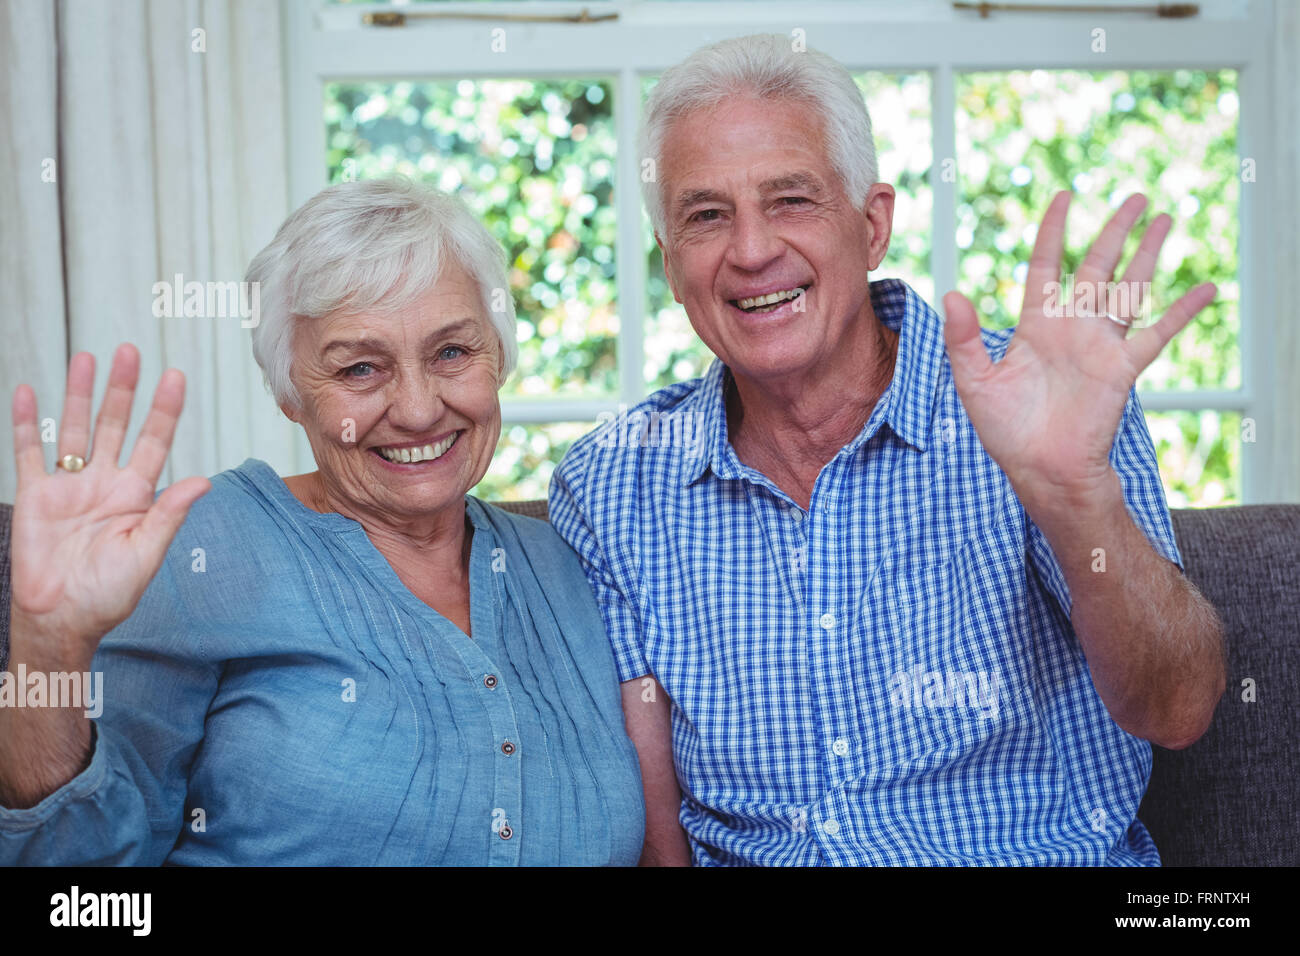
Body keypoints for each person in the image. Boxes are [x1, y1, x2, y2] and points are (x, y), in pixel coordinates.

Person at [549, 34, 1226, 866]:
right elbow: (658, 842)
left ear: (872, 226)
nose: (753, 250)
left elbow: (1180, 708)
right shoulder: (613, 483)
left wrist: (1073, 494)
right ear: (671, 263)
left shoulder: (1042, 405)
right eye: (706, 215)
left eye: (791, 199)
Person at [0, 177, 645, 865]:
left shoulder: (570, 563)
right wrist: (49, 645)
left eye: (452, 352)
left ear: (501, 357)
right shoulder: (203, 547)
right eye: (360, 369)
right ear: (290, 394)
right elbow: (74, 879)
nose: (420, 408)